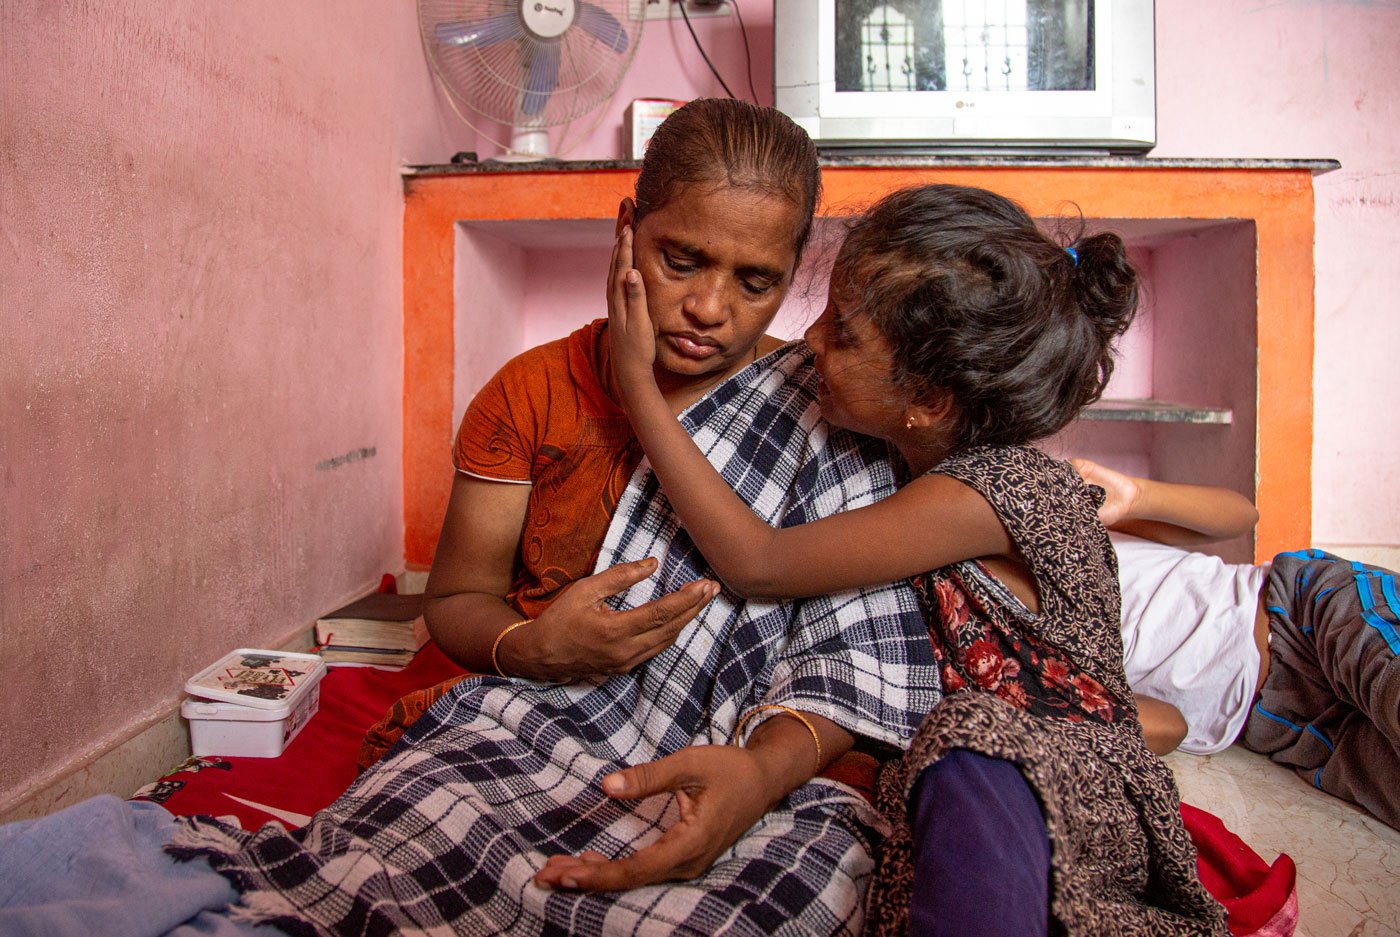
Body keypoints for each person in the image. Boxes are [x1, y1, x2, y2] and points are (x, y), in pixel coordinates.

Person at [156, 98, 937, 936]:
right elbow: (455, 601)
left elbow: (854, 654)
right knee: (408, 825)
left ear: (792, 270)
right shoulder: (532, 395)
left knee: (811, 880)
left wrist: (757, 773)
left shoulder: (820, 410)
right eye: (682, 259)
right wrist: (530, 647)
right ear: (628, 228)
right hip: (532, 721)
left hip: (745, 758)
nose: (710, 307)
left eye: (757, 282)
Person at [606, 183, 1228, 935]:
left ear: (928, 399)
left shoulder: (977, 494)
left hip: (1040, 783)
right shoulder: (922, 463)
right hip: (1027, 753)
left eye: (842, 332)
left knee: (962, 755)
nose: (811, 342)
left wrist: (638, 383)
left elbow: (759, 561)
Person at [1074, 457, 1400, 831]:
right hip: (1280, 725)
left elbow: (1241, 515)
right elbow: (1166, 722)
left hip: (1299, 612)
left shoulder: (1052, 515)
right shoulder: (1005, 656)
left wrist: (1136, 495)